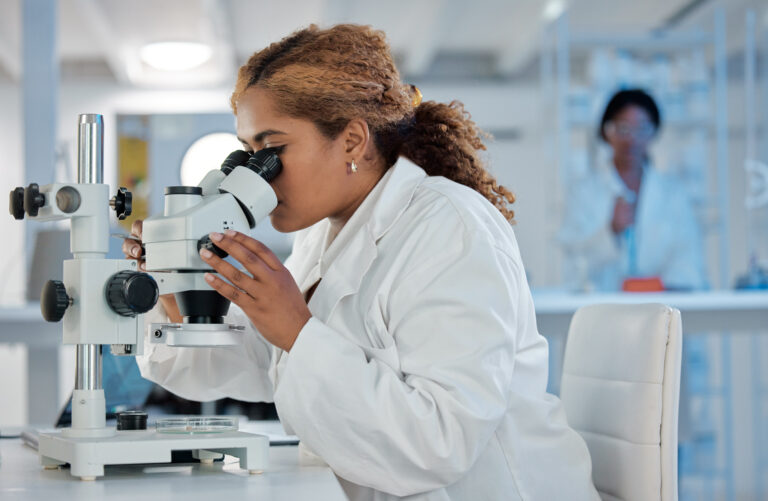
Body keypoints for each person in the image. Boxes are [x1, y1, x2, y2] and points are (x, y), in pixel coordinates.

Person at [127, 24, 599, 500]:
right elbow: (250, 365)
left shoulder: (451, 226)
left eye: (270, 151)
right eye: (247, 153)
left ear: (352, 141)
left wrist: (297, 329)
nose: (255, 175)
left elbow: (442, 443)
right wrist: (173, 288)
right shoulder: (323, 236)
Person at [559, 88, 708, 291]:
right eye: (622, 128)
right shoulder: (584, 192)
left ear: (654, 132)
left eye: (642, 128)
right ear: (606, 131)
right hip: (602, 307)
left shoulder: (673, 194)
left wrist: (647, 288)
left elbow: (688, 260)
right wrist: (610, 231)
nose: (631, 139)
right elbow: (573, 259)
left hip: (662, 306)